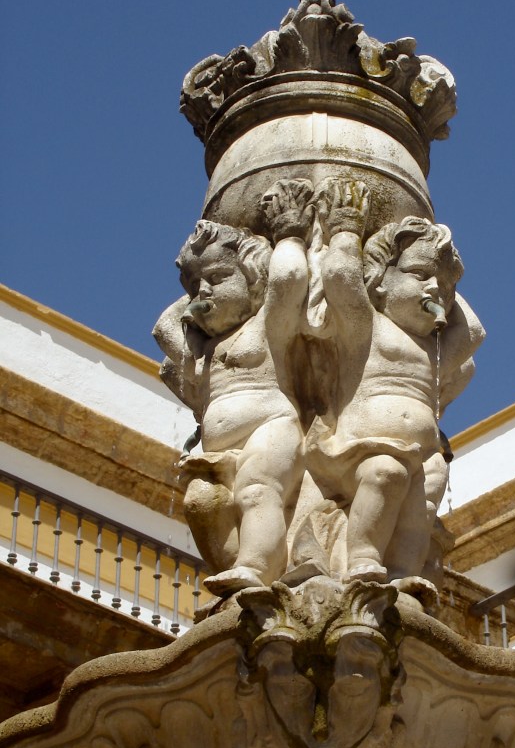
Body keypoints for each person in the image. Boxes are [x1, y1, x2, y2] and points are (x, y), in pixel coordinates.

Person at [307, 181, 484, 584]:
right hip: (364, 448)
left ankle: (404, 573)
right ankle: (362, 557)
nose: (433, 288)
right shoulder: (367, 328)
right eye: (419, 274)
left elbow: (472, 331)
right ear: (381, 281)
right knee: (386, 474)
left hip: (423, 454)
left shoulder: (430, 351)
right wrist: (347, 228)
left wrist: (444, 274)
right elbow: (341, 280)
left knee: (419, 508)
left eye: (442, 285)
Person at [153, 180, 314, 593]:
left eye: (218, 279)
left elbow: (289, 281)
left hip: (271, 427)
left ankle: (257, 566)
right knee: (202, 502)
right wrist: (202, 283)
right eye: (194, 286)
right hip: (218, 452)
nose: (202, 291)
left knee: (259, 490)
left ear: (254, 281)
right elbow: (162, 328)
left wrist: (289, 234)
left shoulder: (266, 328)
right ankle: (238, 565)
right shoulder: (202, 349)